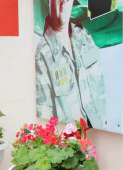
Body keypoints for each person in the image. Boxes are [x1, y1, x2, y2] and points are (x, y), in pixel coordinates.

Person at [35, 0, 107, 129]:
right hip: (69, 143)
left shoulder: (85, 37)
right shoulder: (42, 55)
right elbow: (44, 115)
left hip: (100, 134)